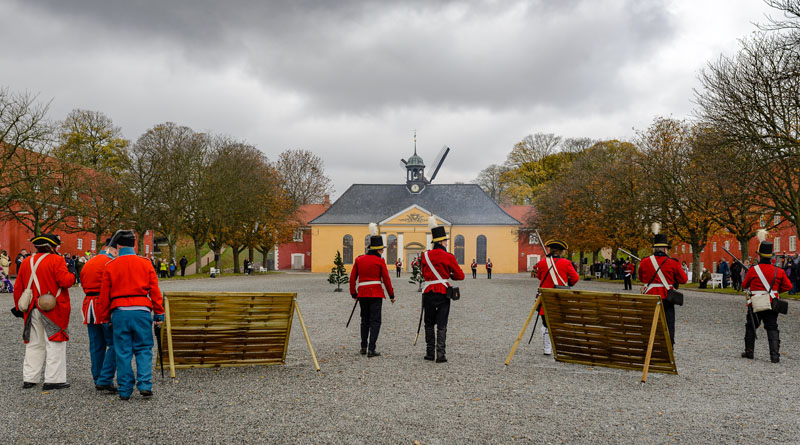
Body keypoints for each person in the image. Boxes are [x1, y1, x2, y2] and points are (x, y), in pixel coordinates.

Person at [95, 230, 164, 400]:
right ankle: (145, 384)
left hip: (119, 312)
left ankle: (125, 389)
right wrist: (159, 313)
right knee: (144, 348)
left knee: (122, 351)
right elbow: (155, 290)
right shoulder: (146, 263)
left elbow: (104, 296)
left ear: (118, 245)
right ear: (133, 244)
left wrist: (104, 317)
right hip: (142, 310)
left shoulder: (111, 265)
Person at [12, 234, 75, 390]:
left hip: (32, 307)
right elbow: (65, 281)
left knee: (34, 343)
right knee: (55, 342)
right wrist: (72, 273)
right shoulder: (57, 260)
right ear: (53, 247)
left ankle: (30, 378)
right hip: (52, 307)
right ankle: (53, 379)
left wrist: (19, 307)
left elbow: (18, 288)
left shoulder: (26, 262)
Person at [741, 230, 793, 363]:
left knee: (751, 326)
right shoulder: (778, 270)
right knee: (772, 327)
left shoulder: (753, 270)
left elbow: (744, 285)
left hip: (756, 303)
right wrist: (775, 292)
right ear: (771, 256)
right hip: (772, 303)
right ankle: (774, 355)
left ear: (759, 255)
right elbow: (788, 286)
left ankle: (749, 352)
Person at [420, 218, 465, 363]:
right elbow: (460, 275)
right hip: (443, 292)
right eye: (445, 241)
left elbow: (423, 273)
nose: (446, 243)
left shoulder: (425, 255)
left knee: (428, 322)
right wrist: (448, 275)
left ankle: (429, 352)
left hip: (428, 291)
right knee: (441, 323)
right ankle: (440, 354)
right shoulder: (448, 256)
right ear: (441, 242)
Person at [349, 224, 394, 357]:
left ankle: (363, 346)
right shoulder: (380, 261)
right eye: (382, 250)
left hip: (362, 293)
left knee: (365, 320)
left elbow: (352, 278)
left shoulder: (359, 259)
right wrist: (391, 295)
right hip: (376, 293)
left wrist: (353, 293)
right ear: (379, 250)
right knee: (375, 321)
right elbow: (386, 280)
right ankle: (371, 348)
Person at [638, 223, 688, 346]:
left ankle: (649, 345)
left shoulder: (645, 261)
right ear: (666, 249)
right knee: (668, 323)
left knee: (649, 324)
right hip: (666, 298)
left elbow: (641, 278)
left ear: (654, 249)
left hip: (650, 297)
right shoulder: (673, 262)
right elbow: (684, 279)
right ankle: (669, 345)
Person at [80, 237, 117, 392]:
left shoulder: (89, 262)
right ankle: (105, 378)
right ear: (115, 249)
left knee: (96, 345)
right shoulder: (110, 262)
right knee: (115, 343)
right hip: (103, 305)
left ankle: (97, 378)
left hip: (89, 304)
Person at [532, 239, 579, 355]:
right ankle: (560, 346)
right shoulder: (567, 263)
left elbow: (539, 276)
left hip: (544, 297)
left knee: (546, 323)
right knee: (559, 321)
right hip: (560, 297)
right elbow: (575, 278)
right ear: (561, 252)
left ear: (550, 249)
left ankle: (547, 348)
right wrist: (567, 284)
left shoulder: (542, 262)